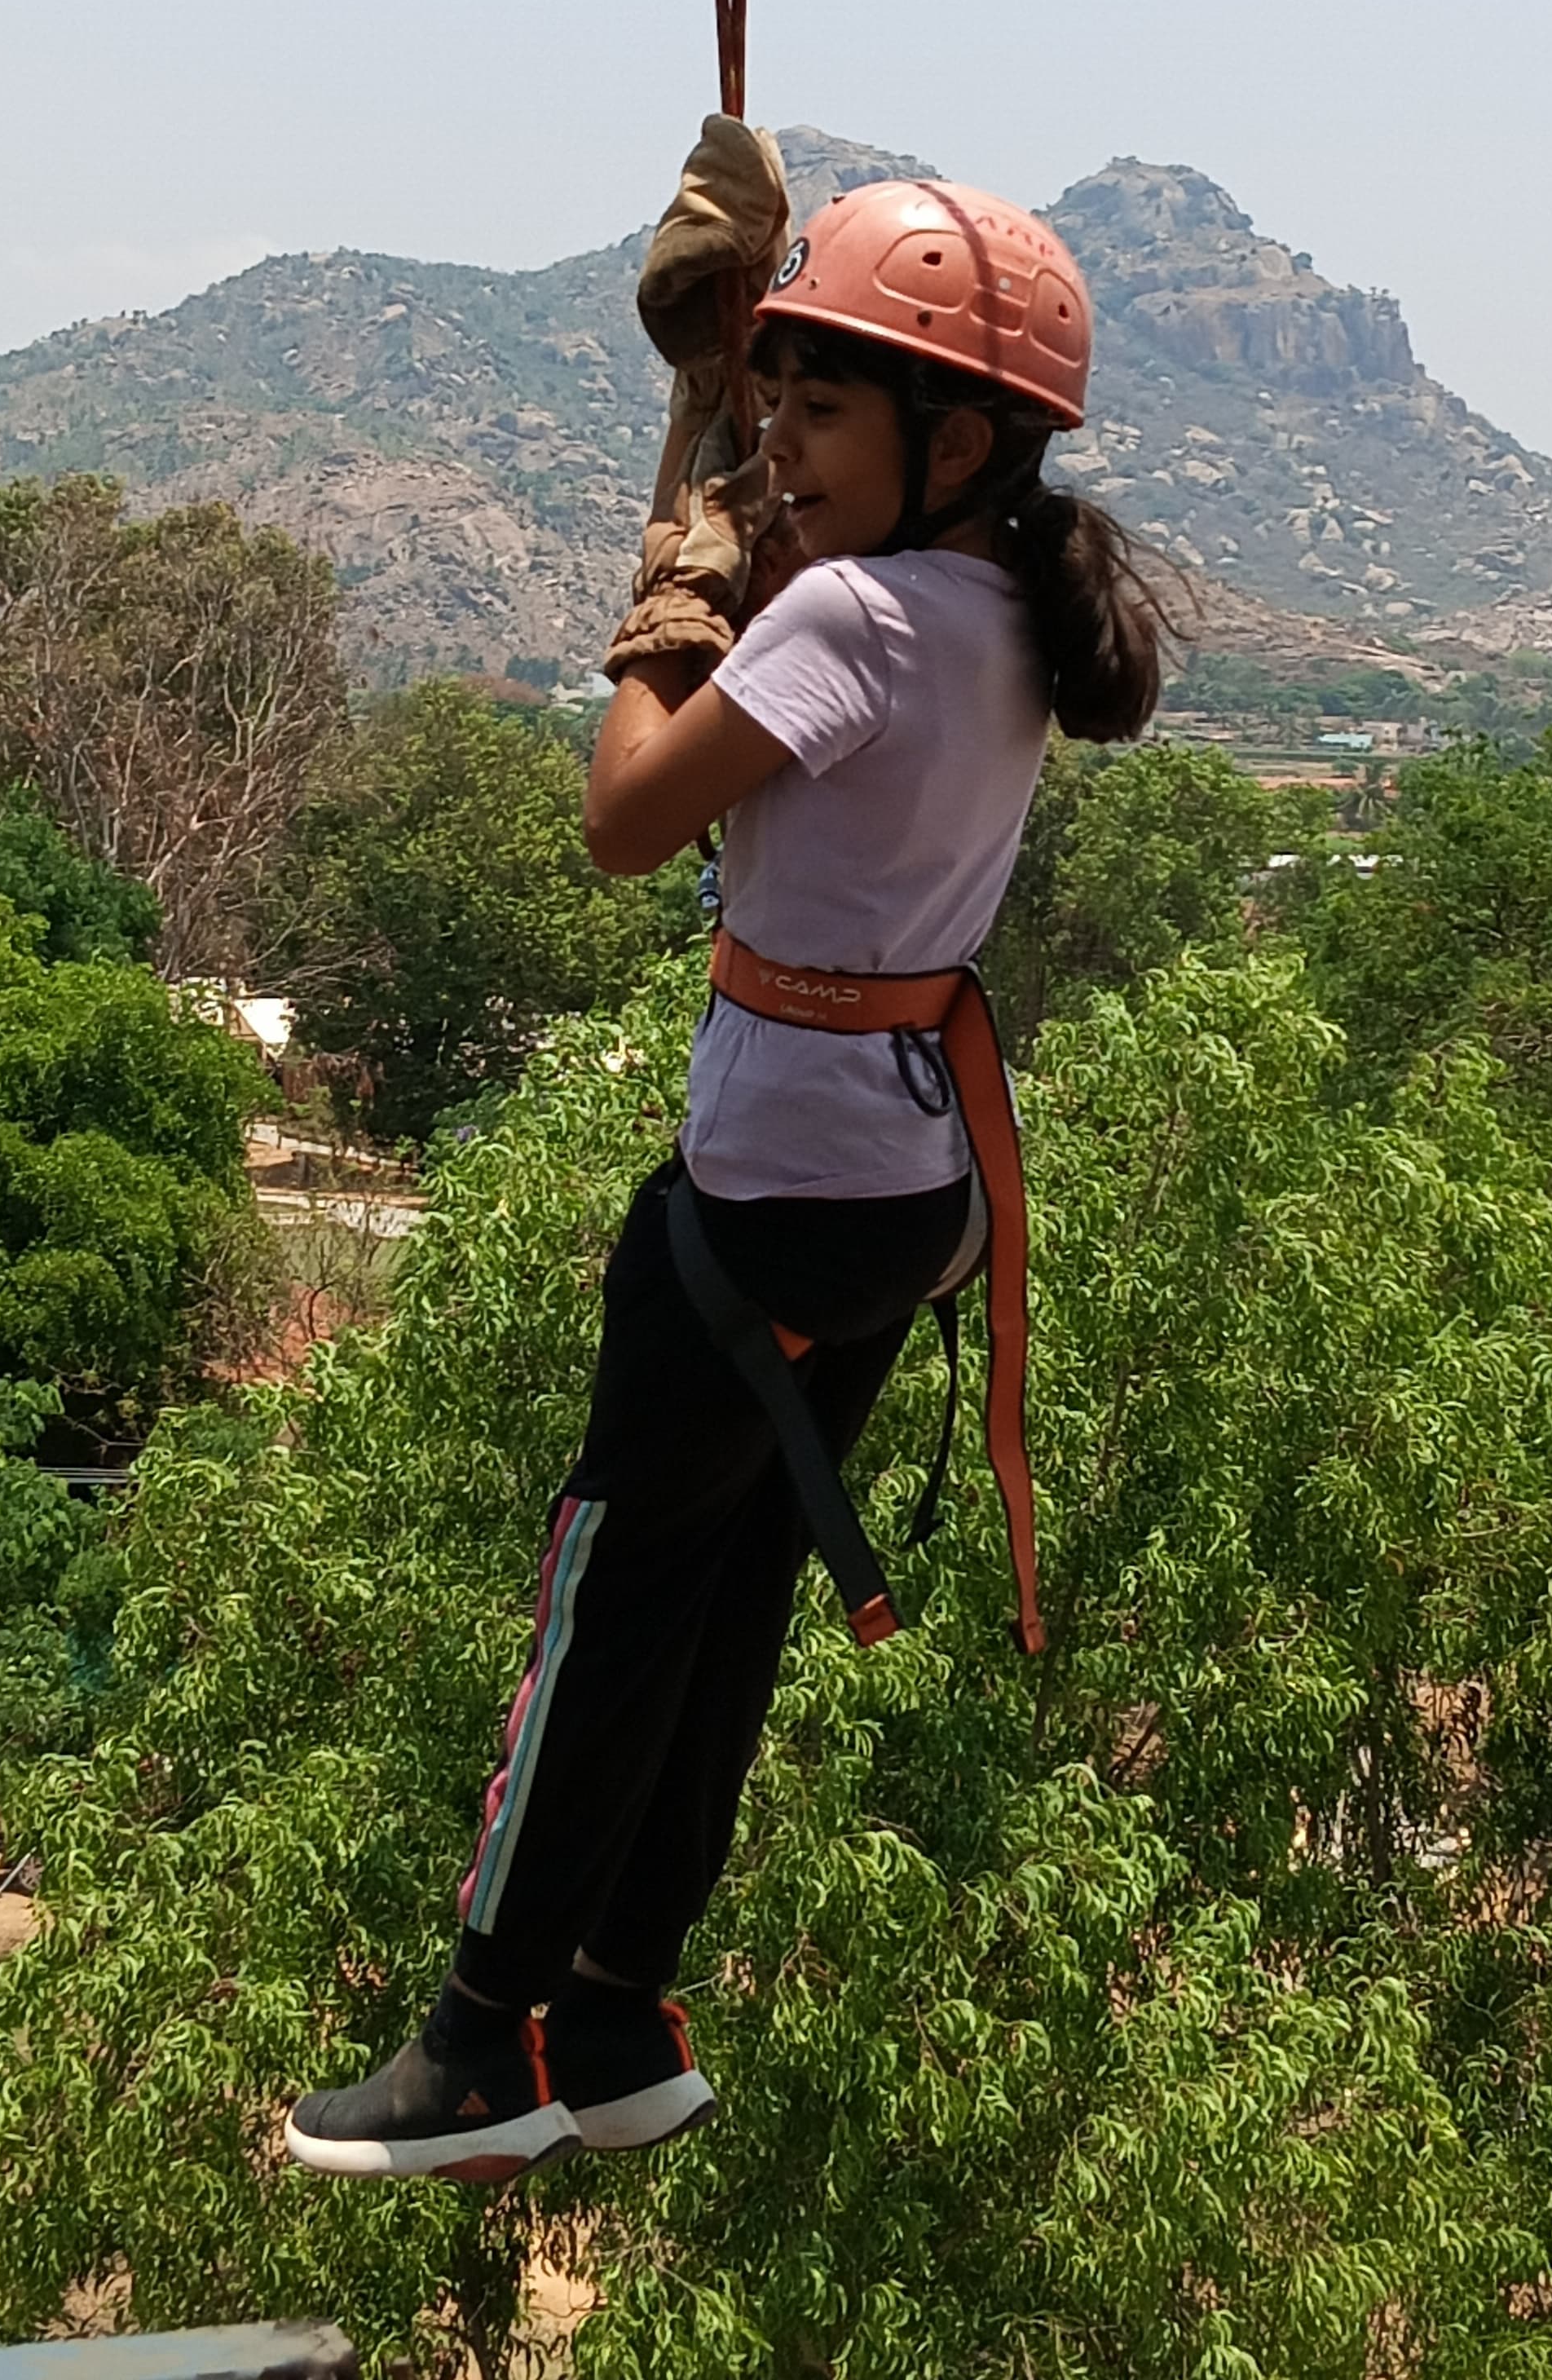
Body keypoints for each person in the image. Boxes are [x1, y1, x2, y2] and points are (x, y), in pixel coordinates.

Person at [285, 164, 1176, 2184]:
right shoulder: (990, 610)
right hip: (903, 1192)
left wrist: (678, 555)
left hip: (772, 1189)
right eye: (782, 403)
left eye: (824, 410)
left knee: (617, 1588)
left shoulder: (866, 611)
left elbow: (622, 816)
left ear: (958, 444)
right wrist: (717, 416)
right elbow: (795, 649)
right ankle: (618, 2003)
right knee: (728, 1586)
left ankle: (477, 2041)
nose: (786, 441)